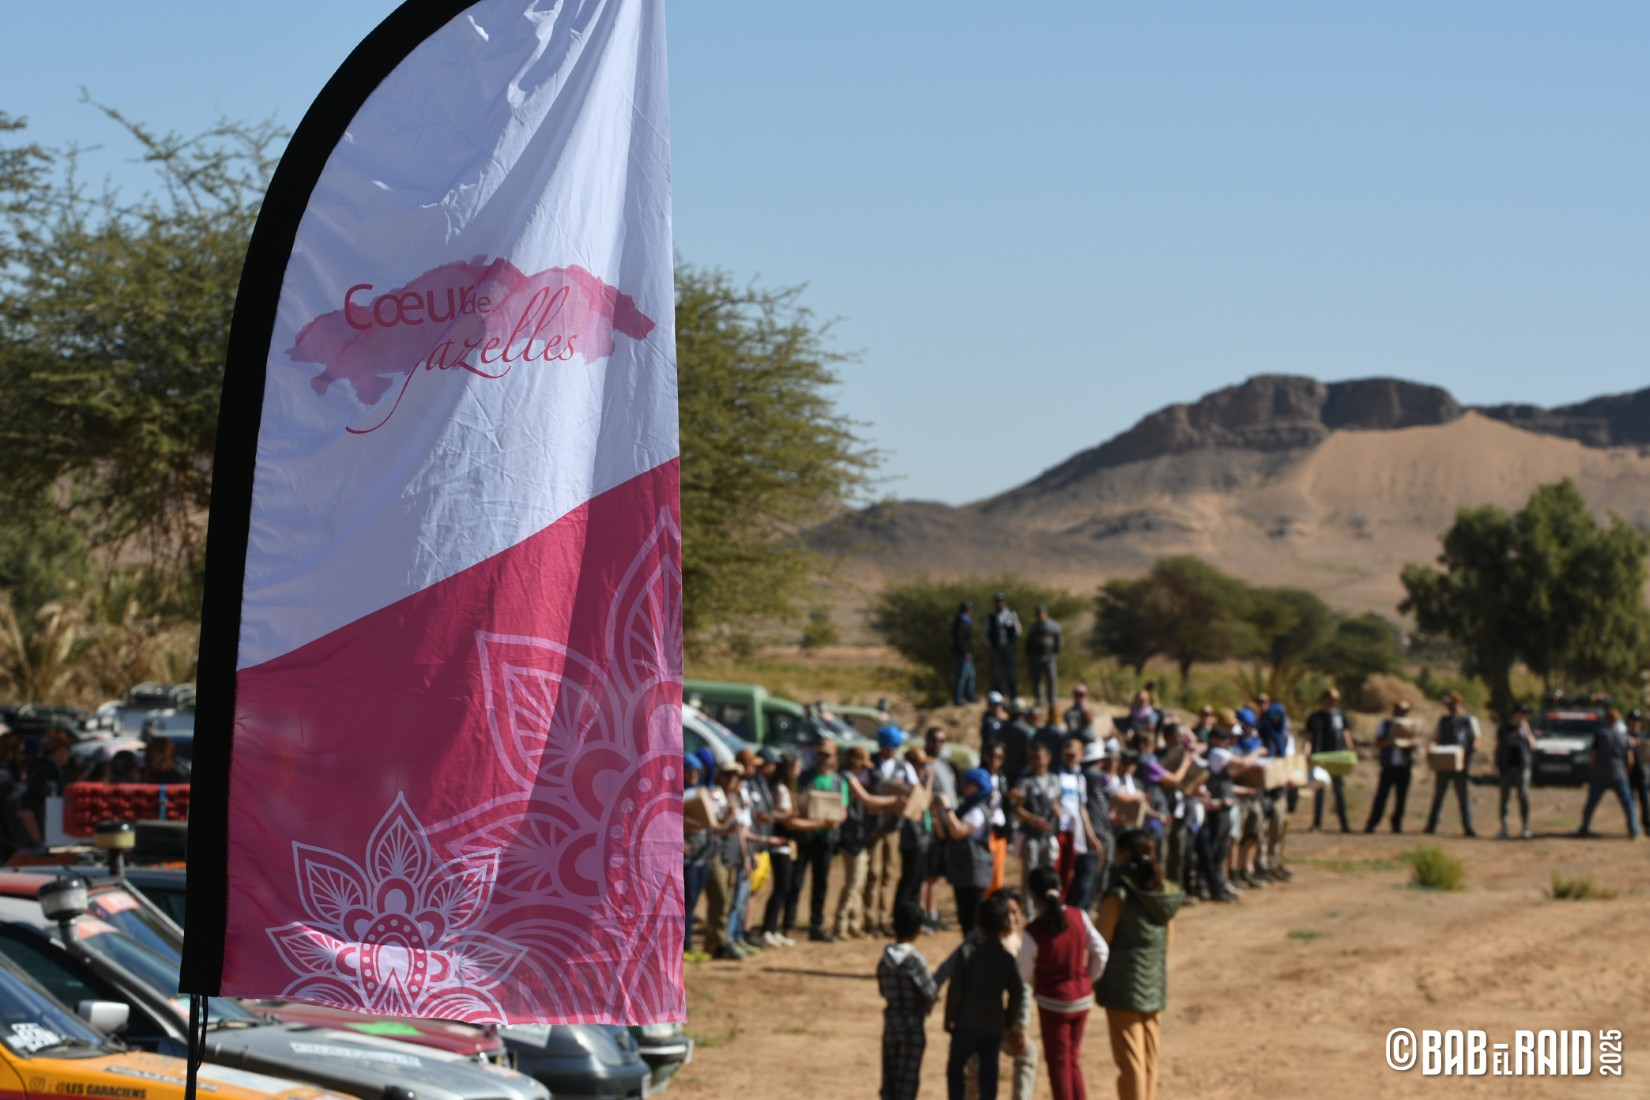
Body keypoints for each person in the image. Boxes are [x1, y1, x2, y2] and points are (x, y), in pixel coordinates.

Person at [1095, 828, 1182, 1100]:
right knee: (1148, 1057)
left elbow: (1102, 940)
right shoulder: (1162, 891)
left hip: (1124, 986)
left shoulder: (1119, 893)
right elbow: (1168, 940)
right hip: (1154, 982)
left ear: (1122, 854)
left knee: (1131, 1061)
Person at [1018, 866, 1108, 1100]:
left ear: (1033, 895)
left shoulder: (1033, 930)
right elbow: (1101, 951)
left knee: (1059, 1065)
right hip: (1081, 997)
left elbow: (1025, 972)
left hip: (1053, 1002)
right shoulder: (1079, 916)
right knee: (1072, 1060)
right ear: (1060, 888)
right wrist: (1087, 977)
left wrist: (1041, 985)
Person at [936, 893, 1028, 1100]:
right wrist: (1009, 1021)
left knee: (955, 1070)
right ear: (1005, 925)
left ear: (978, 924)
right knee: (989, 1074)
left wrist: (949, 1018)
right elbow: (1018, 992)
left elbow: (955, 990)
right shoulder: (1006, 958)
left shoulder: (967, 953)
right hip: (993, 1026)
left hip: (965, 1024)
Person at [878, 901, 939, 1100]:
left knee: (890, 1080)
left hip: (891, 1023)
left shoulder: (884, 961)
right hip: (912, 1025)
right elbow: (930, 992)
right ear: (918, 931)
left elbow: (883, 990)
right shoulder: (915, 960)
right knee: (908, 1083)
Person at [793, 741, 848, 941]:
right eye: (821, 754)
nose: (824, 759)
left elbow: (843, 810)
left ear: (834, 758)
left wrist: (836, 821)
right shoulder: (806, 777)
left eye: (828, 755)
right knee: (796, 880)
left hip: (826, 839)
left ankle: (816, 925)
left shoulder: (839, 781)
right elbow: (797, 801)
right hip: (806, 836)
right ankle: (788, 924)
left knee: (821, 883)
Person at [870, 726, 920, 936]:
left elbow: (915, 789)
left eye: (893, 747)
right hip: (873, 826)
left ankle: (883, 918)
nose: (889, 750)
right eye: (886, 746)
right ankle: (869, 918)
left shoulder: (904, 766)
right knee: (873, 872)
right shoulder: (871, 763)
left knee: (888, 873)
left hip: (893, 826)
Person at [940, 769, 997, 933]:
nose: (964, 788)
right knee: (965, 919)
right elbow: (946, 833)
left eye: (969, 785)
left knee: (973, 920)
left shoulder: (978, 811)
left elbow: (958, 832)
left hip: (975, 873)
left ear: (979, 787)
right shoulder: (965, 808)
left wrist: (947, 808)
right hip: (963, 872)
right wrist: (940, 811)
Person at [703, 762, 747, 960]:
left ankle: (716, 942)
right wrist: (727, 817)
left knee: (726, 900)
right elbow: (713, 824)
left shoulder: (735, 797)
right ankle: (718, 943)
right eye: (728, 774)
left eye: (735, 776)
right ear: (719, 775)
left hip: (731, 853)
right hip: (715, 851)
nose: (732, 779)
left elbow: (740, 830)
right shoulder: (714, 794)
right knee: (720, 898)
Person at [759, 751, 801, 947]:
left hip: (786, 843)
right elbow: (783, 815)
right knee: (781, 887)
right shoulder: (780, 789)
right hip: (780, 842)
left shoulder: (783, 788)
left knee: (785, 887)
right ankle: (767, 928)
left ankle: (773, 928)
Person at [1424, 691, 1479, 837]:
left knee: (1463, 796)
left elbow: (1476, 740)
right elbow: (1436, 737)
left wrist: (1467, 754)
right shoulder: (1444, 720)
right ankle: (1431, 825)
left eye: (1452, 704)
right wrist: (1431, 748)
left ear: (1459, 703)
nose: (1451, 707)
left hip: (1461, 765)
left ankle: (1468, 826)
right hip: (1444, 763)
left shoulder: (1469, 720)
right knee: (1439, 795)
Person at [1578, 708, 1639, 839]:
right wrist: (1626, 772)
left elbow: (1594, 756)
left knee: (1591, 803)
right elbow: (1630, 759)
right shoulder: (1624, 737)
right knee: (1628, 803)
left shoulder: (1600, 735)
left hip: (1600, 774)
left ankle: (1584, 827)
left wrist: (1592, 770)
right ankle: (1633, 829)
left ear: (1606, 720)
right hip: (1619, 774)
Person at [1011, 744, 1060, 891]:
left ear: (1048, 759)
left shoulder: (1054, 780)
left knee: (1048, 872)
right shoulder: (1026, 781)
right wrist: (1034, 820)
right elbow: (1017, 810)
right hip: (1031, 835)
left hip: (1049, 834)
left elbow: (1056, 802)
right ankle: (1029, 908)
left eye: (1038, 757)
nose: (1034, 761)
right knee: (1030, 873)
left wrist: (1058, 809)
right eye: (1032, 758)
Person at [1365, 700, 1416, 834]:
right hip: (1388, 766)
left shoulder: (1411, 725)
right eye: (1399, 710)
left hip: (1404, 767)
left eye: (1404, 710)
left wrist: (1407, 743)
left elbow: (1417, 741)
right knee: (1381, 796)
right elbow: (1378, 742)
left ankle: (1396, 824)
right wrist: (1391, 742)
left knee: (1401, 798)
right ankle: (1372, 823)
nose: (1402, 713)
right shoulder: (1385, 724)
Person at [681, 756, 714, 961]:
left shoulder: (703, 792)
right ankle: (685, 945)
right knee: (687, 902)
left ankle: (689, 943)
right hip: (687, 858)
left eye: (697, 772)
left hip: (704, 855)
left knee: (694, 901)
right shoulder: (675, 794)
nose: (693, 775)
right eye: (689, 771)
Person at [1305, 689, 1351, 833]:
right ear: (1324, 699)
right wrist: (1306, 751)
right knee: (1319, 791)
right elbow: (1309, 736)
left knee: (1339, 792)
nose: (1334, 703)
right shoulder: (1315, 717)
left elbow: (1346, 733)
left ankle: (1344, 824)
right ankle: (1317, 824)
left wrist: (1350, 749)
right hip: (1320, 758)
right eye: (1331, 700)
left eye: (1337, 700)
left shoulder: (1339, 716)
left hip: (1337, 758)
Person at [1494, 703, 1537, 840]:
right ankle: (1503, 828)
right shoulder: (1504, 728)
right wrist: (1496, 764)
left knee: (1523, 796)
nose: (1524, 717)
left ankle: (1525, 827)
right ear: (1515, 714)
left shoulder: (1526, 729)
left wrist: (1526, 732)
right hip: (1506, 766)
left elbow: (1532, 745)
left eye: (1526, 715)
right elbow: (1498, 747)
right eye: (1522, 714)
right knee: (1504, 798)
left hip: (1522, 767)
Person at [985, 593, 1023, 699]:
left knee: (1011, 673)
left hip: (1008, 648)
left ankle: (1013, 696)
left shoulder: (1010, 614)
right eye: (997, 601)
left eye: (1001, 601)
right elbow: (986, 633)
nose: (999, 603)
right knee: (996, 674)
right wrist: (991, 645)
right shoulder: (991, 616)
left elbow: (1018, 629)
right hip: (996, 648)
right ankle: (998, 697)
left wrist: (1013, 643)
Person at [1025, 605, 1062, 707]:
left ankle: (1052, 699)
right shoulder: (1033, 626)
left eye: (1042, 613)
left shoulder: (1054, 625)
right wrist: (1028, 654)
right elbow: (1028, 642)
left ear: (1046, 613)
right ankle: (1039, 699)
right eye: (1038, 614)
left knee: (1051, 679)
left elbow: (1058, 641)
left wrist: (1055, 653)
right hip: (1035, 656)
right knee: (1037, 679)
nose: (1040, 616)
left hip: (1049, 657)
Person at [953, 601, 979, 706]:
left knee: (970, 675)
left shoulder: (966, 620)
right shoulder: (961, 621)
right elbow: (960, 639)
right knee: (962, 677)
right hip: (962, 654)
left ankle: (971, 696)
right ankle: (959, 699)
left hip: (966, 653)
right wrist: (966, 652)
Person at [1628, 710, 1649, 834]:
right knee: (1630, 801)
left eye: (1637, 721)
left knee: (1644, 801)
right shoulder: (1625, 736)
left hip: (1643, 773)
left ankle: (1647, 825)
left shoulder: (1645, 736)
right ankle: (1633, 826)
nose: (1635, 723)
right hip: (1629, 773)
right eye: (1633, 720)